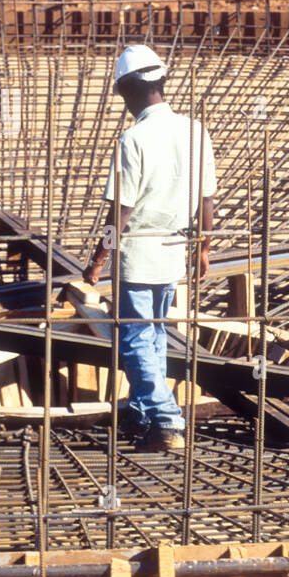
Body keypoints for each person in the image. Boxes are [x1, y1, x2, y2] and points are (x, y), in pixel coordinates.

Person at [84, 45, 217, 451]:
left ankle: (166, 420)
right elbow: (208, 199)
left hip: (140, 255)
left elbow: (121, 210)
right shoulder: (196, 131)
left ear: (128, 90)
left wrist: (98, 259)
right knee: (155, 337)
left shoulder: (133, 138)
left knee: (137, 341)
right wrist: (204, 248)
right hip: (175, 247)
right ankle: (145, 415)